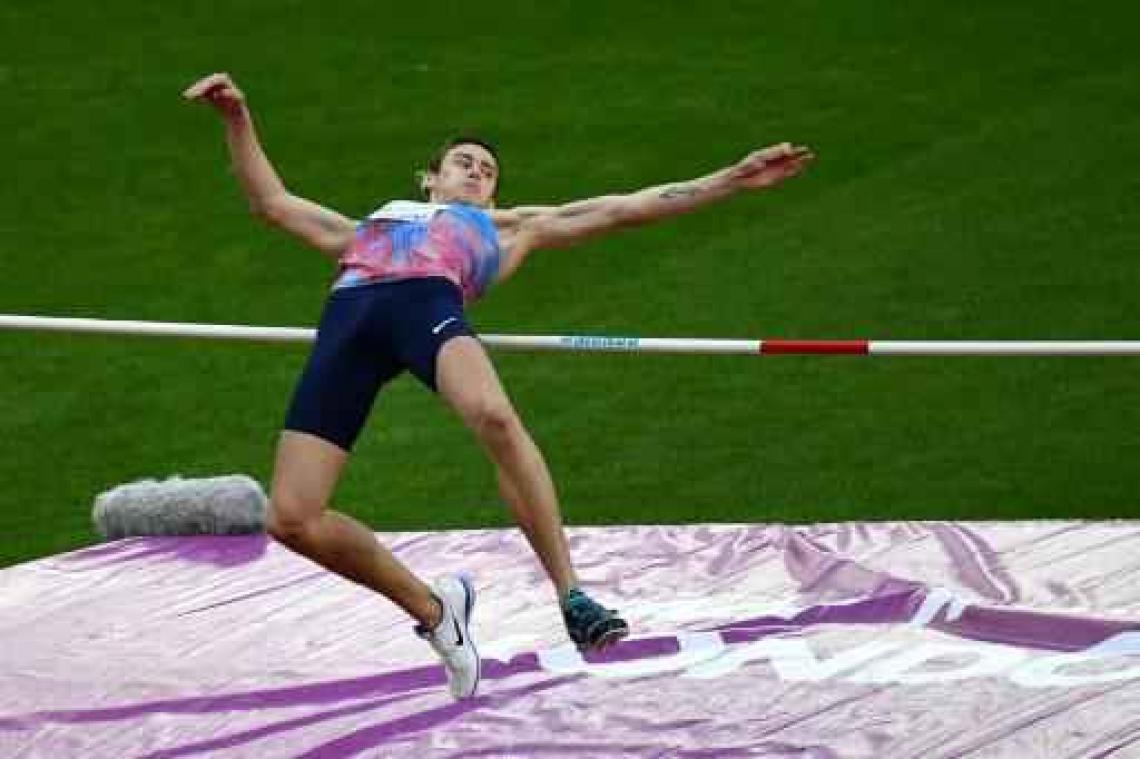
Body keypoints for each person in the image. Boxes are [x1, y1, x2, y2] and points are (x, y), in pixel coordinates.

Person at [183, 72, 813, 700]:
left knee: (494, 417)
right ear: (428, 177)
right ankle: (436, 613)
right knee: (291, 518)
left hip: (428, 305)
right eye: (464, 163)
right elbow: (271, 202)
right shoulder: (365, 229)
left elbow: (626, 207)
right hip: (349, 323)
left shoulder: (509, 228)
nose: (478, 172)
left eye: (488, 170)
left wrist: (730, 179)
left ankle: (571, 593)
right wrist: (236, 117)